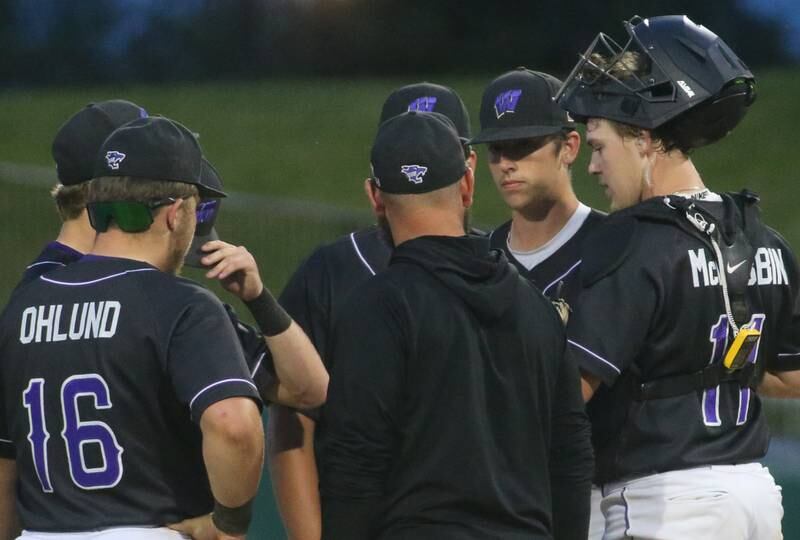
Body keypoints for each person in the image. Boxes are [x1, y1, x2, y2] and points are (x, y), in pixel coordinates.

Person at [556, 14, 800, 539]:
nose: (594, 167)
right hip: (755, 500)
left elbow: (567, 391)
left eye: (599, 145)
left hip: (661, 504)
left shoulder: (629, 241)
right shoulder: (764, 239)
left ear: (644, 138)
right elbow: (793, 375)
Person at [319, 110, 593, 539]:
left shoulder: (379, 306)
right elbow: (571, 458)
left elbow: (355, 464)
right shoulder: (537, 306)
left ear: (375, 196)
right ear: (467, 186)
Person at [0, 116, 271, 540]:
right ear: (176, 213)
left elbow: (5, 461)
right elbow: (233, 425)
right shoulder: (182, 305)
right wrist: (228, 525)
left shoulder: (22, 306)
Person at [17, 101, 328, 412]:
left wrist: (259, 299)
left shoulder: (28, 301)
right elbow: (243, 420)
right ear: (113, 186)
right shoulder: (163, 302)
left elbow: (309, 390)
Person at [267, 82, 477, 540]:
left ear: (468, 168)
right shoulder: (331, 272)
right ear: (376, 179)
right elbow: (291, 419)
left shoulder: (499, 274)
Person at [470, 67, 605, 308]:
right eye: (495, 148)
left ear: (569, 148)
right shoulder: (478, 261)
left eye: (522, 145)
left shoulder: (614, 246)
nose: (505, 164)